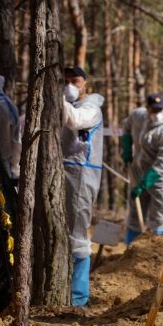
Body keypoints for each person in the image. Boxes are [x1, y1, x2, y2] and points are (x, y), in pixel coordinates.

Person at [62, 65, 104, 306]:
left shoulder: (91, 108)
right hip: (64, 171)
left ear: (85, 84)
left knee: (77, 232)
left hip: (82, 175)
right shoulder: (70, 104)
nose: (70, 85)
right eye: (65, 80)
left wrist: (60, 99)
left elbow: (76, 121)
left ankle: (78, 297)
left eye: (74, 80)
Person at [120, 93, 163, 245]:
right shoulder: (138, 116)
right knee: (135, 211)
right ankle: (131, 249)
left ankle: (157, 251)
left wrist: (143, 184)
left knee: (161, 215)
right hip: (140, 168)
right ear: (147, 108)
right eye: (153, 110)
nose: (156, 113)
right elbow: (126, 126)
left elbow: (161, 164)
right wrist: (126, 146)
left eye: (159, 110)